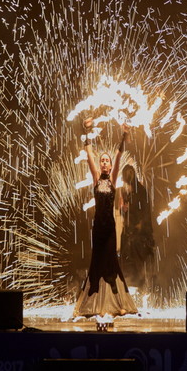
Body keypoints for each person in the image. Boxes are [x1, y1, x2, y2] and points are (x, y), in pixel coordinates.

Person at [73, 121, 138, 318]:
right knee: (97, 263)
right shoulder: (95, 179)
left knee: (111, 263)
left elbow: (118, 156)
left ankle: (118, 302)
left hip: (109, 228)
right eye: (102, 160)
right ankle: (92, 303)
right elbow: (89, 155)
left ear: (109, 166)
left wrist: (123, 136)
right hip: (98, 229)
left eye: (106, 161)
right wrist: (86, 133)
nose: (103, 163)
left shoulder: (112, 180)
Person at [119, 164, 156, 294]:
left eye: (131, 173)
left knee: (139, 260)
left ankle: (143, 288)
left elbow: (145, 210)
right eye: (126, 173)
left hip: (140, 234)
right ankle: (132, 286)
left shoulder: (140, 190)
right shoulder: (128, 192)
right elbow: (125, 212)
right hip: (129, 231)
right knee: (127, 259)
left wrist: (140, 225)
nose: (128, 176)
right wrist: (123, 210)